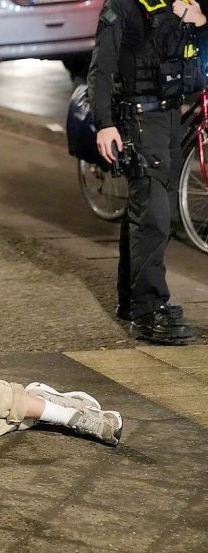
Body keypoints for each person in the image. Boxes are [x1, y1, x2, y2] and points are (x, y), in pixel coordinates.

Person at [89, 0, 205, 344]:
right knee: (152, 215)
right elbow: (102, 67)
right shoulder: (122, 6)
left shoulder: (177, 4)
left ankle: (133, 301)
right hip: (140, 119)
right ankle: (148, 311)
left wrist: (198, 20)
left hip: (169, 116)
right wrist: (104, 124)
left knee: (153, 211)